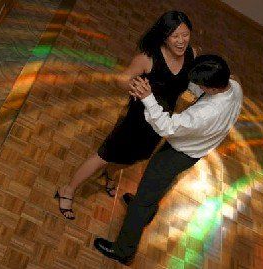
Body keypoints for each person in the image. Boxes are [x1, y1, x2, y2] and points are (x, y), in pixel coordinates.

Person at [93, 54, 243, 264]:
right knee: (156, 186)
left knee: (145, 196)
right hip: (193, 150)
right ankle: (145, 212)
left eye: (201, 84)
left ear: (212, 88)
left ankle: (123, 250)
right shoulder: (234, 86)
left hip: (178, 154)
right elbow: (201, 92)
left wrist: (147, 97)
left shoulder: (205, 113)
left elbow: (167, 127)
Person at [54, 11, 196, 220]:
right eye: (175, 36)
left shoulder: (191, 54)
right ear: (164, 36)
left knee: (136, 157)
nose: (181, 41)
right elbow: (121, 79)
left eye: (185, 34)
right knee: (104, 155)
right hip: (136, 121)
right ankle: (67, 190)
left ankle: (109, 174)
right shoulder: (148, 58)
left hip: (160, 122)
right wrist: (136, 88)